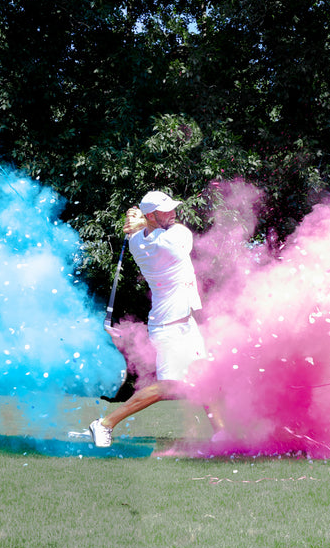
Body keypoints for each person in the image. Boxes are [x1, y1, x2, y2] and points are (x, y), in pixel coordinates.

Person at [81, 190, 223, 447]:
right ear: (152, 216)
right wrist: (142, 221)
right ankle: (104, 424)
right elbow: (169, 232)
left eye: (171, 208)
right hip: (170, 327)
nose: (173, 213)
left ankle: (221, 433)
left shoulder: (137, 240)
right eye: (165, 210)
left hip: (183, 322)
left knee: (203, 377)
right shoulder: (174, 237)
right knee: (167, 386)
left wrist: (141, 221)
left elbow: (143, 230)